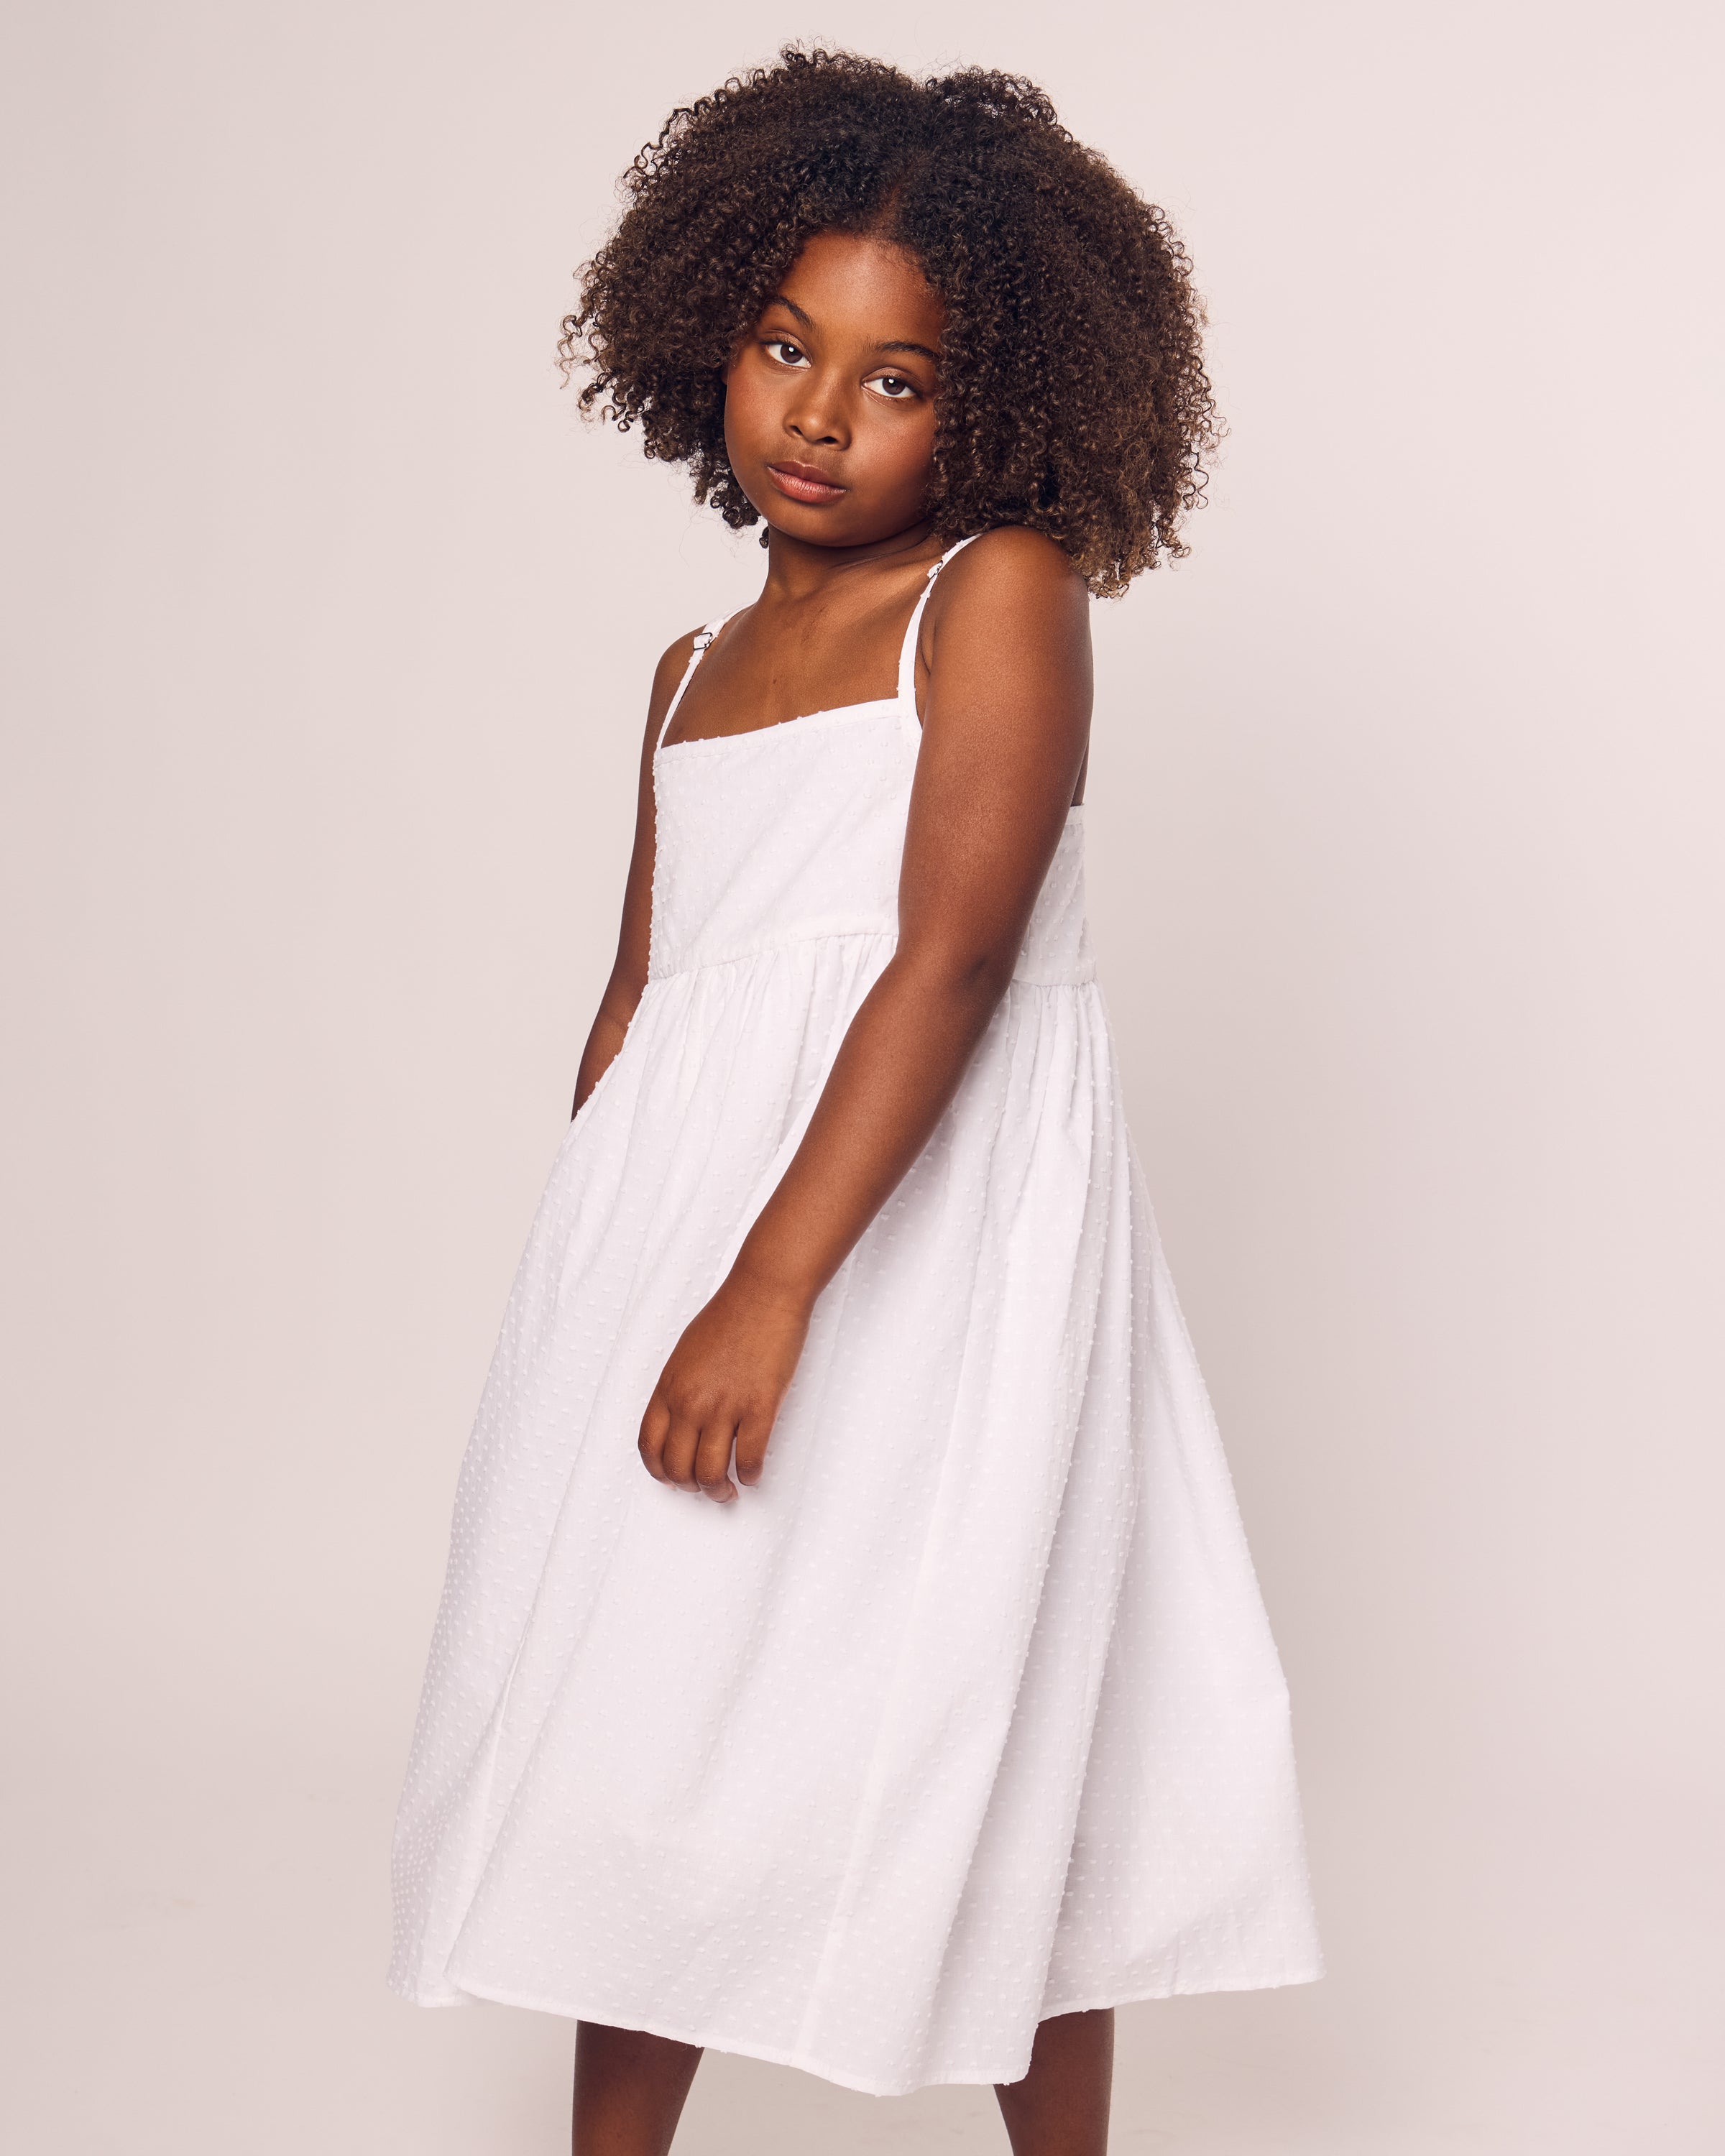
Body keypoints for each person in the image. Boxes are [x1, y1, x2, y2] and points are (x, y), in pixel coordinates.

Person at [390, 47, 1321, 2155]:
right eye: (787, 346)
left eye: (893, 380)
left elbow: (954, 958)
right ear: (702, 328)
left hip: (916, 1245)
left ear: (990, 403)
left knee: (983, 1707)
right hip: (686, 1250)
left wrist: (774, 1283)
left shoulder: (992, 601)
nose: (817, 415)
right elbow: (644, 997)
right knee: (635, 1733)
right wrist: (589, 1291)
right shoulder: (689, 672)